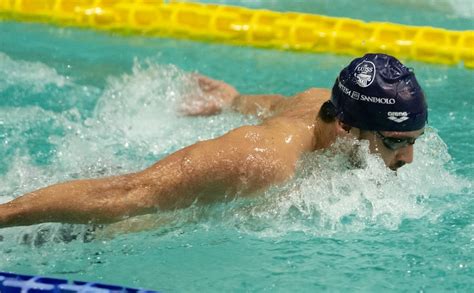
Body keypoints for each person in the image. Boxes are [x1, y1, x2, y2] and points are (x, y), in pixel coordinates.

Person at [0, 53, 427, 228]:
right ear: (347, 129)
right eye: (393, 142)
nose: (408, 158)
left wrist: (235, 99)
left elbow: (280, 102)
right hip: (85, 227)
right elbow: (129, 192)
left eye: (413, 140)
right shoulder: (263, 160)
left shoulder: (323, 102)